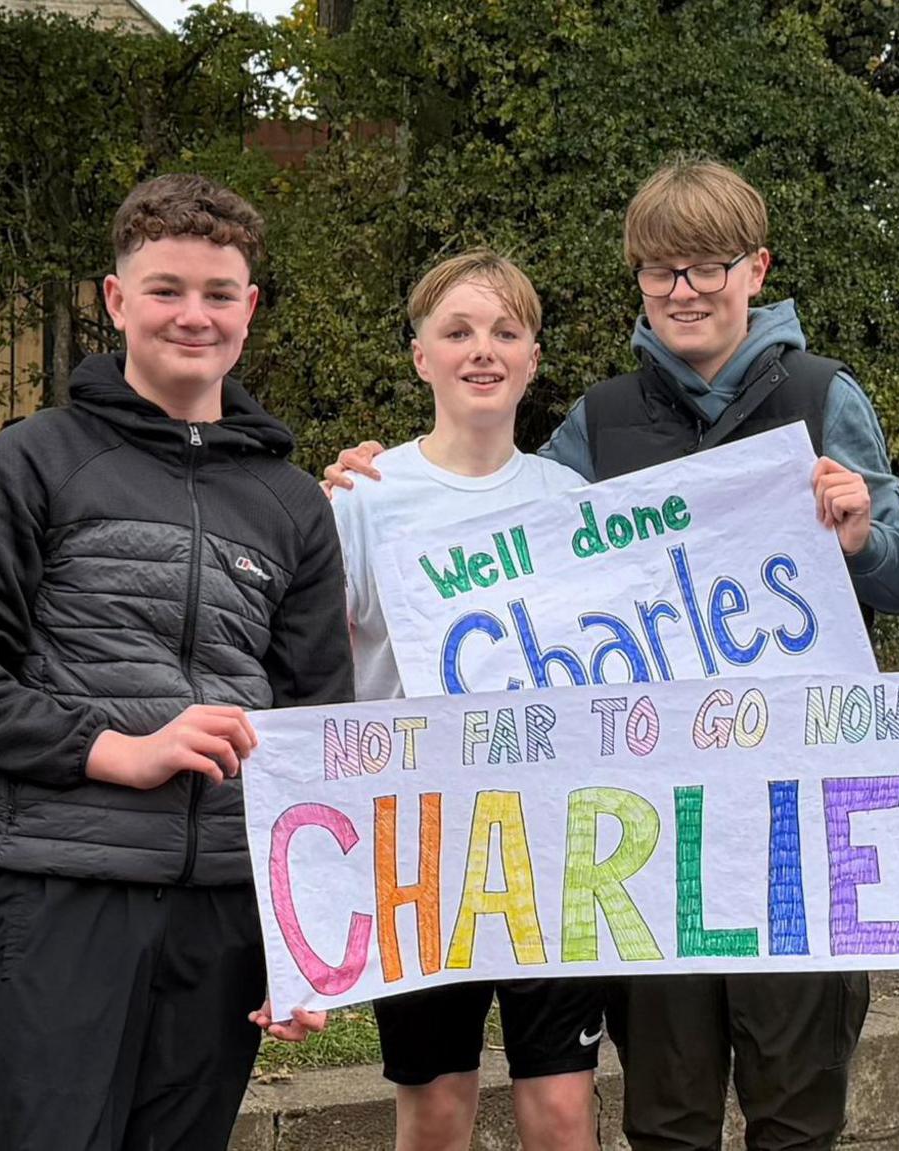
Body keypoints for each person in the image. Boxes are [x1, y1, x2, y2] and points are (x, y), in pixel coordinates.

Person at [327, 158, 899, 1151]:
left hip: (790, 819)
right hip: (651, 824)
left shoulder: (824, 397)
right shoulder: (597, 422)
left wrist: (861, 536)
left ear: (755, 269)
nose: (682, 290)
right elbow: (494, 534)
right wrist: (375, 491)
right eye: (659, 271)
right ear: (638, 281)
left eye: (705, 267)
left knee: (794, 1106)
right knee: (665, 1112)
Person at [0, 173, 346, 1151]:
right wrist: (117, 749)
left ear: (249, 308)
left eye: (217, 292)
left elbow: (319, 734)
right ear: (115, 300)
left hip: (224, 913)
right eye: (165, 288)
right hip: (66, 890)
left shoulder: (291, 504)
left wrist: (303, 939)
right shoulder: (35, 459)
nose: (193, 314)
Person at [333, 248, 599, 1150]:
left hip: (555, 848)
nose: (482, 350)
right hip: (419, 848)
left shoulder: (572, 501)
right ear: (421, 356)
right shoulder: (365, 497)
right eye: (458, 331)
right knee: (436, 1102)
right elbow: (322, 666)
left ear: (532, 359)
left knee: (563, 1108)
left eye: (505, 331)